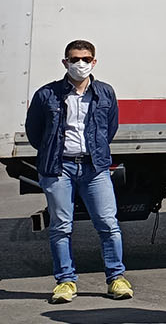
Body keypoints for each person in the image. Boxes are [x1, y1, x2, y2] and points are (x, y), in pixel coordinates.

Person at [25, 39, 132, 304]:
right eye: (74, 59)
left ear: (94, 62)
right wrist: (53, 153)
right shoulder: (46, 94)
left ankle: (116, 279)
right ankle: (65, 282)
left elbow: (110, 127)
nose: (80, 64)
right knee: (61, 226)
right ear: (65, 62)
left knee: (108, 224)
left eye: (85, 59)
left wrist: (94, 151)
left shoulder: (105, 93)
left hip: (94, 167)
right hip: (59, 167)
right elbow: (35, 132)